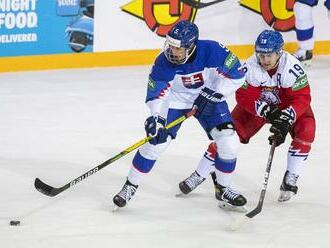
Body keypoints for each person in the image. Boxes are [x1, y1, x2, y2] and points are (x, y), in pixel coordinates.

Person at [112, 20, 247, 210]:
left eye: (178, 48)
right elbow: (157, 94)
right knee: (155, 144)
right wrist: (156, 118)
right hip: (175, 101)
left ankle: (223, 188)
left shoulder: (213, 50)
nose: (172, 52)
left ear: (191, 46)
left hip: (209, 96)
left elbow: (238, 74)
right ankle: (130, 186)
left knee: (229, 142)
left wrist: (215, 93)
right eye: (170, 46)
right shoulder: (163, 62)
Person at [179, 30, 315, 203]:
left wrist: (287, 117)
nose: (264, 60)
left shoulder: (292, 67)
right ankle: (199, 174)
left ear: (280, 52)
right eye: (261, 55)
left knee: (307, 129)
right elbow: (243, 96)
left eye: (269, 55)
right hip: (259, 107)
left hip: (286, 105)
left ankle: (291, 177)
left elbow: (302, 97)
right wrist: (264, 110)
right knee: (226, 135)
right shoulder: (250, 67)